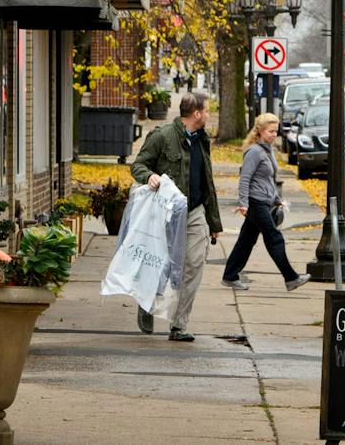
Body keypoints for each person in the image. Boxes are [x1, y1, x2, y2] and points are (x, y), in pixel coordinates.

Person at [131, 93, 222, 342]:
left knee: (193, 266)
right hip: (166, 213)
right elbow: (138, 165)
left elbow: (207, 182)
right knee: (161, 266)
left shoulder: (202, 140)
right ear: (196, 114)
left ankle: (179, 325)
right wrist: (149, 176)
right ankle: (146, 302)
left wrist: (213, 223)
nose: (208, 115)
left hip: (195, 212)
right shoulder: (162, 136)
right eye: (206, 111)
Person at [221, 113, 309, 293]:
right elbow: (245, 179)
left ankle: (230, 275)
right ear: (260, 131)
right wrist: (243, 203)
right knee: (274, 237)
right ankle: (291, 278)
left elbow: (268, 179)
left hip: (264, 201)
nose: (274, 134)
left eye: (276, 131)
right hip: (255, 202)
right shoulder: (254, 152)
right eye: (270, 131)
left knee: (246, 240)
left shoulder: (268, 150)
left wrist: (276, 200)